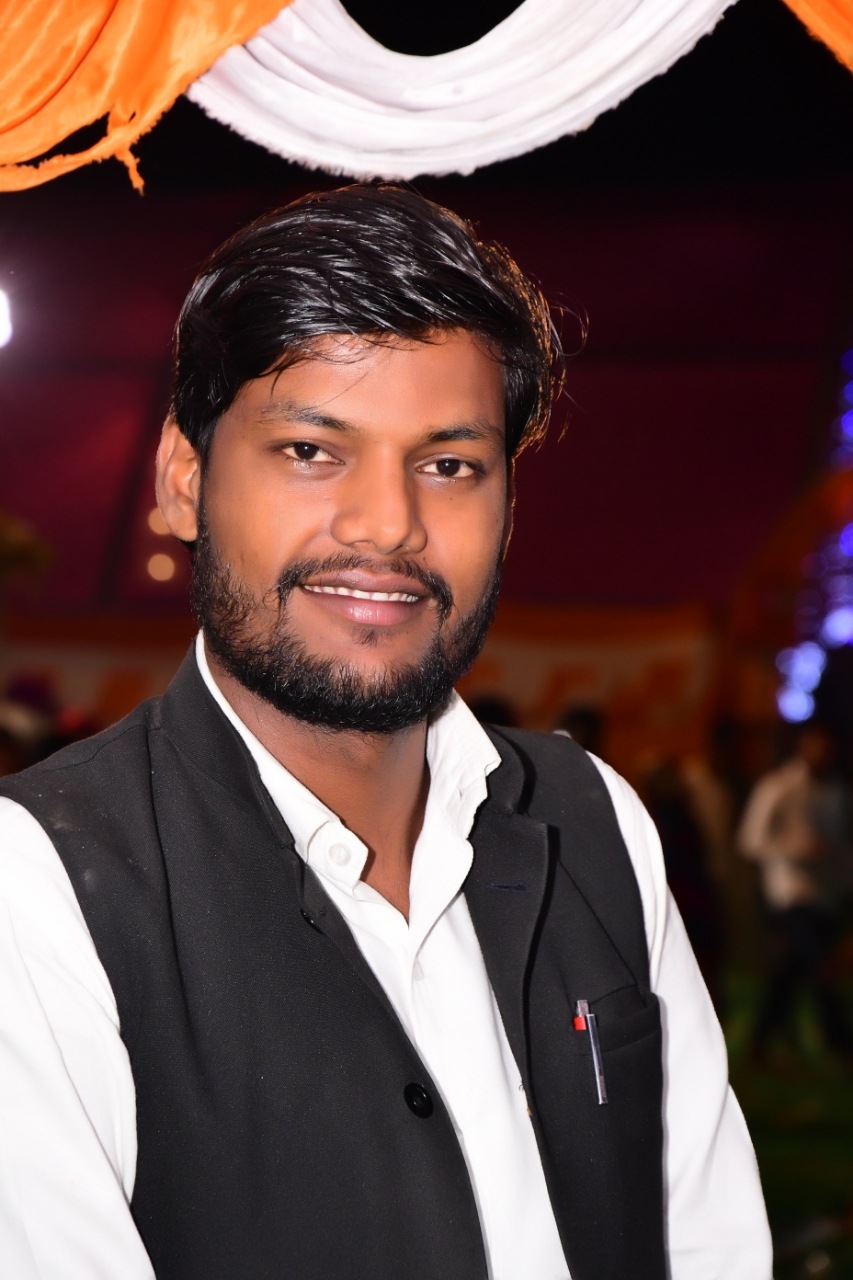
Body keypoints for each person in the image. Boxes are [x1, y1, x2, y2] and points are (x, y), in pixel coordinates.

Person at [0, 186, 770, 1280]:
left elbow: (708, 1244)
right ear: (183, 482)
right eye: (311, 449)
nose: (389, 524)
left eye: (448, 464)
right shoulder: (38, 885)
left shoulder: (593, 819)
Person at [738, 721, 853, 1058]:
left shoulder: (836, 791)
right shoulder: (778, 786)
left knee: (791, 971)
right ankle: (840, 1040)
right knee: (819, 967)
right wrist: (798, 848)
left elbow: (840, 846)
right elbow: (750, 840)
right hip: (789, 893)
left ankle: (764, 1042)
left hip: (825, 895)